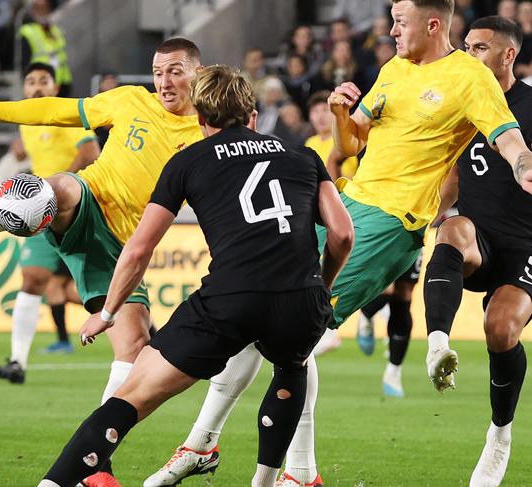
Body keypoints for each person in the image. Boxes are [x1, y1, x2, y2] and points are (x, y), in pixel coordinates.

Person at [144, 2, 532, 486]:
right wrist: (340, 113)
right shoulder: (393, 69)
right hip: (349, 205)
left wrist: (523, 165)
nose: (390, 30)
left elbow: (508, 137)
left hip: (391, 224)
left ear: (433, 25)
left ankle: (207, 446)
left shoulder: (468, 77)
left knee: (281, 324)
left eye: (400, 21)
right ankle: (291, 471)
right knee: (275, 319)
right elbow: (351, 145)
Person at [0, 37, 205, 487]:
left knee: (134, 348)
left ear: (198, 71)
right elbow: (57, 109)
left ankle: (97, 463)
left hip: (123, 246)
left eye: (175, 71)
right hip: (86, 200)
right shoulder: (131, 100)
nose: (164, 81)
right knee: (53, 187)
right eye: (157, 71)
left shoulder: (208, 134)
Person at [36, 64, 353, 487]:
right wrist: (322, 288)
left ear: (201, 120)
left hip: (230, 299)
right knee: (291, 366)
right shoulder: (303, 156)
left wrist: (108, 312)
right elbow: (343, 234)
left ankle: (59, 481)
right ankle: (269, 478)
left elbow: (139, 248)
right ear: (253, 117)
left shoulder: (187, 160)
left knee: (131, 397)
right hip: (301, 297)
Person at [424, 16, 532, 486]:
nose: (470, 56)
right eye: (466, 47)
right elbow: (452, 175)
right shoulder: (463, 105)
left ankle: (500, 434)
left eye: (481, 48)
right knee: (452, 232)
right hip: (479, 238)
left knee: (501, 328)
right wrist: (426, 217)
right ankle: (437, 346)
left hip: (526, 245)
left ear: (508, 55)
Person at [0, 62, 100, 384]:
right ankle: (17, 362)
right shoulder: (27, 122)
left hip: (78, 211)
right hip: (41, 212)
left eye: (43, 81)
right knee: (32, 279)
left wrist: (59, 182)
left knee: (107, 289)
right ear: (24, 89)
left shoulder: (65, 115)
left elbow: (92, 152)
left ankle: (149, 338)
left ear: (55, 88)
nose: (36, 87)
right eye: (30, 82)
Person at [356, 251, 423, 397]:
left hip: (413, 233)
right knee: (386, 288)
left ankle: (393, 372)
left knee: (404, 293)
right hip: (385, 231)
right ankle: (366, 314)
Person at [18, 0, 72, 96]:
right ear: (33, 11)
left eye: (45, 8)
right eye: (39, 8)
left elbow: (62, 57)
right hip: (41, 84)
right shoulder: (28, 31)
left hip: (62, 83)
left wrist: (66, 84)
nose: (43, 11)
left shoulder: (56, 30)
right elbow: (24, 63)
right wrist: (31, 84)